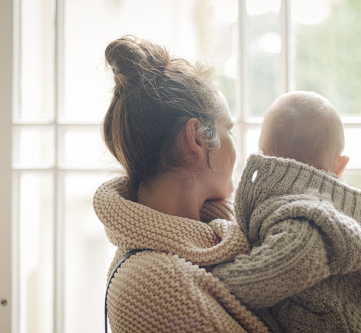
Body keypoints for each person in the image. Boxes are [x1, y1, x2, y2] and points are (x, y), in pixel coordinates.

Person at [93, 36, 269, 333]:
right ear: (197, 140)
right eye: (229, 130)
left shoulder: (209, 244)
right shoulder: (153, 282)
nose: (238, 148)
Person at [212, 91, 361, 333]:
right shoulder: (306, 208)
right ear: (339, 166)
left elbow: (280, 267)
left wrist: (217, 280)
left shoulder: (307, 217)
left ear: (263, 156)